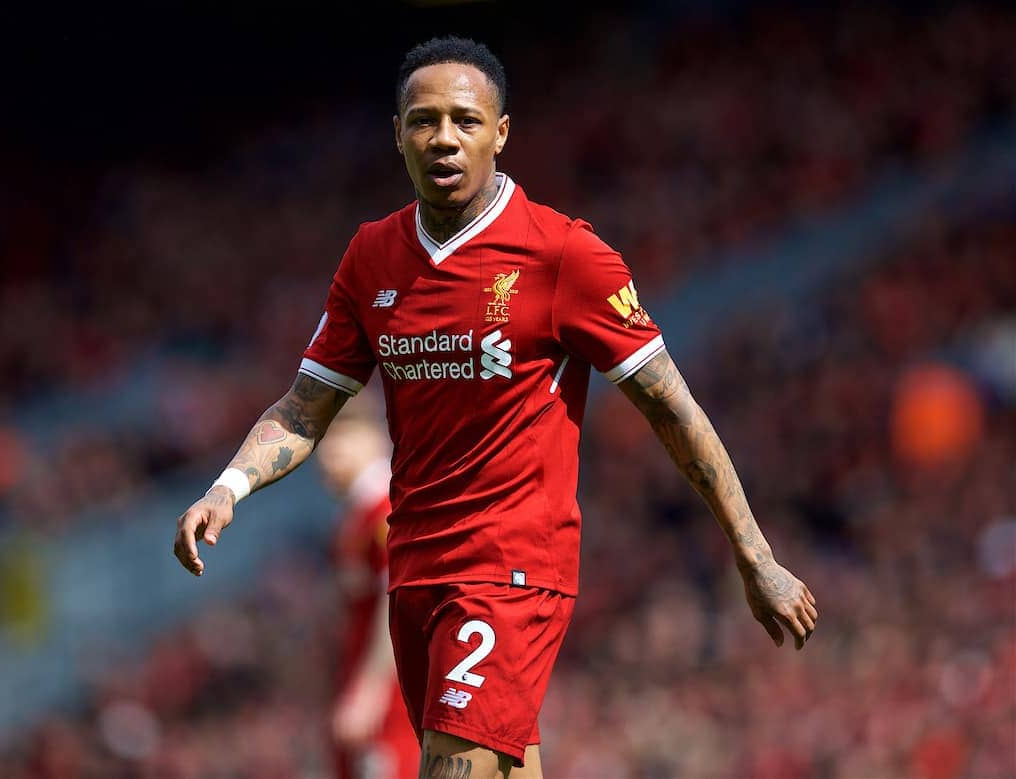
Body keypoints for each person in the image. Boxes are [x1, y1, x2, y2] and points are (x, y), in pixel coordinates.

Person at [174, 36, 818, 779]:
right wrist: (228, 486)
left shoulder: (562, 254)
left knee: (455, 769)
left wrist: (754, 554)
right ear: (397, 134)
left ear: (501, 132)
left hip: (510, 568)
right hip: (415, 568)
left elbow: (673, 408)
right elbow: (305, 406)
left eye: (465, 120)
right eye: (423, 120)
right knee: (500, 769)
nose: (443, 137)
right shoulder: (372, 257)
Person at [316, 394, 422, 779]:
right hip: (362, 683)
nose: (324, 455)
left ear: (370, 437)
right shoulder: (357, 515)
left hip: (392, 700)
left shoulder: (387, 508)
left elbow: (398, 598)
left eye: (335, 438)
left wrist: (371, 689)